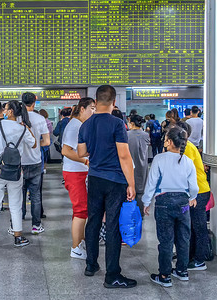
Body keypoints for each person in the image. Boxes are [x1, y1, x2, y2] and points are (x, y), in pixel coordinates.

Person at [77, 85, 137, 288]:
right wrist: (132, 183)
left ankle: (91, 265)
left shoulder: (85, 124)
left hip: (94, 178)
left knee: (93, 221)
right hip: (115, 181)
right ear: (113, 102)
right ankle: (112, 275)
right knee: (112, 225)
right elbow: (124, 155)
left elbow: (81, 152)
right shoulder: (117, 123)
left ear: (96, 101)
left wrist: (96, 151)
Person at [143, 126, 199, 287]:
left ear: (168, 141)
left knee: (166, 240)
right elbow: (193, 186)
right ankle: (182, 271)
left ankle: (165, 275)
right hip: (183, 203)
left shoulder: (160, 159)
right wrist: (192, 197)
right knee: (183, 238)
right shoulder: (187, 161)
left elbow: (152, 183)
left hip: (164, 203)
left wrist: (147, 202)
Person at [0, 100, 36, 248]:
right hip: (15, 171)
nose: (4, 111)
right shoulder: (22, 128)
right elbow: (34, 144)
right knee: (16, 203)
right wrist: (27, 128)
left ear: (11, 111)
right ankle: (18, 237)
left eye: (6, 109)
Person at [61, 97, 96, 259]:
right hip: (75, 173)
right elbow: (66, 150)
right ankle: (76, 248)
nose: (93, 112)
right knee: (80, 210)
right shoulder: (75, 126)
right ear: (82, 109)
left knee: (83, 210)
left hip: (79, 172)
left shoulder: (79, 125)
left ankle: (80, 243)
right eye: (92, 108)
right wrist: (85, 160)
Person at [176, 121, 211, 271]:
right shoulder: (183, 147)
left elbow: (186, 173)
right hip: (192, 191)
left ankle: (199, 260)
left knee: (198, 225)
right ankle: (189, 255)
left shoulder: (187, 148)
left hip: (198, 192)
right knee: (190, 225)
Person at [18, 92, 50, 234]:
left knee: (19, 194)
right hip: (35, 161)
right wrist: (36, 144)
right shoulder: (40, 118)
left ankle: (17, 223)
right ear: (34, 102)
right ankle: (36, 226)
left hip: (18, 163)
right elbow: (47, 141)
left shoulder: (16, 118)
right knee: (35, 195)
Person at [127, 115, 150, 216]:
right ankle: (140, 214)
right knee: (141, 190)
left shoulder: (126, 135)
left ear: (131, 123)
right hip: (142, 165)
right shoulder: (146, 135)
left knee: (129, 189)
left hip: (129, 166)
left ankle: (129, 213)